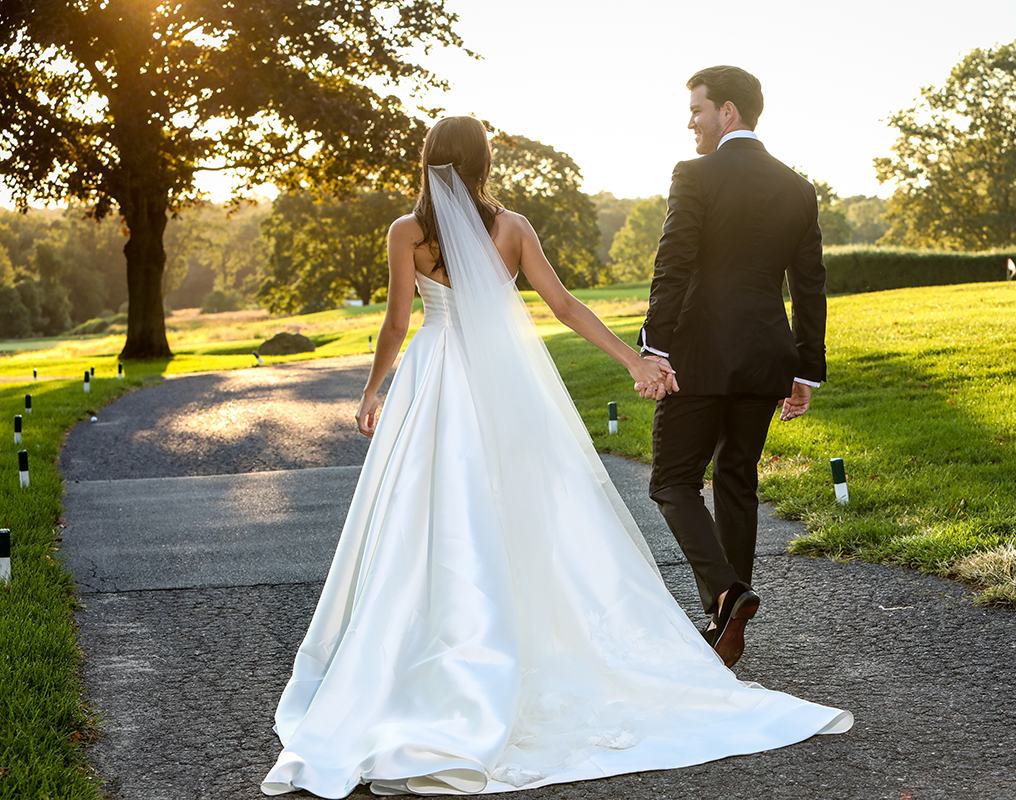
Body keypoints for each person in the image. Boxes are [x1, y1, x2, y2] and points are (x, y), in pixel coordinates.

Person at [261, 116, 850, 798]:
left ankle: (439, 649)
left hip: (436, 378)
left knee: (429, 510)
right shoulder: (511, 227)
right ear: (484, 163)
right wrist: (634, 360)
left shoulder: (407, 233)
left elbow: (398, 322)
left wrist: (373, 391)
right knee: (521, 507)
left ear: (428, 162)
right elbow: (564, 304)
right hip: (506, 381)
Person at [637, 66, 828, 669]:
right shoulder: (797, 187)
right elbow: (811, 287)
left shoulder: (695, 174)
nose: (689, 121)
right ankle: (726, 623)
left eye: (696, 109)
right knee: (737, 480)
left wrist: (655, 346)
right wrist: (806, 368)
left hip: (698, 354)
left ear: (728, 113)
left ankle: (728, 593)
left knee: (671, 480)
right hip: (767, 356)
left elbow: (674, 262)